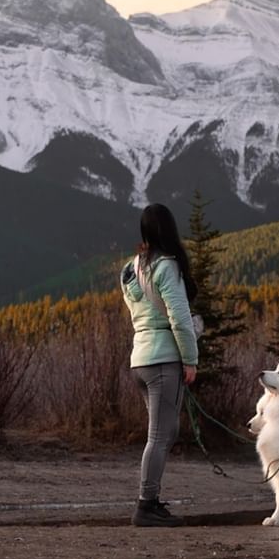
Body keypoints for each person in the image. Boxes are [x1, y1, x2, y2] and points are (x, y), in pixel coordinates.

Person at [119, 203, 199, 527]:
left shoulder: (130, 268)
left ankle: (149, 501)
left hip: (140, 359)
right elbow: (179, 319)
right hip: (164, 359)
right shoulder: (166, 267)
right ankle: (146, 504)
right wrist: (190, 360)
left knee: (167, 431)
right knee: (158, 435)